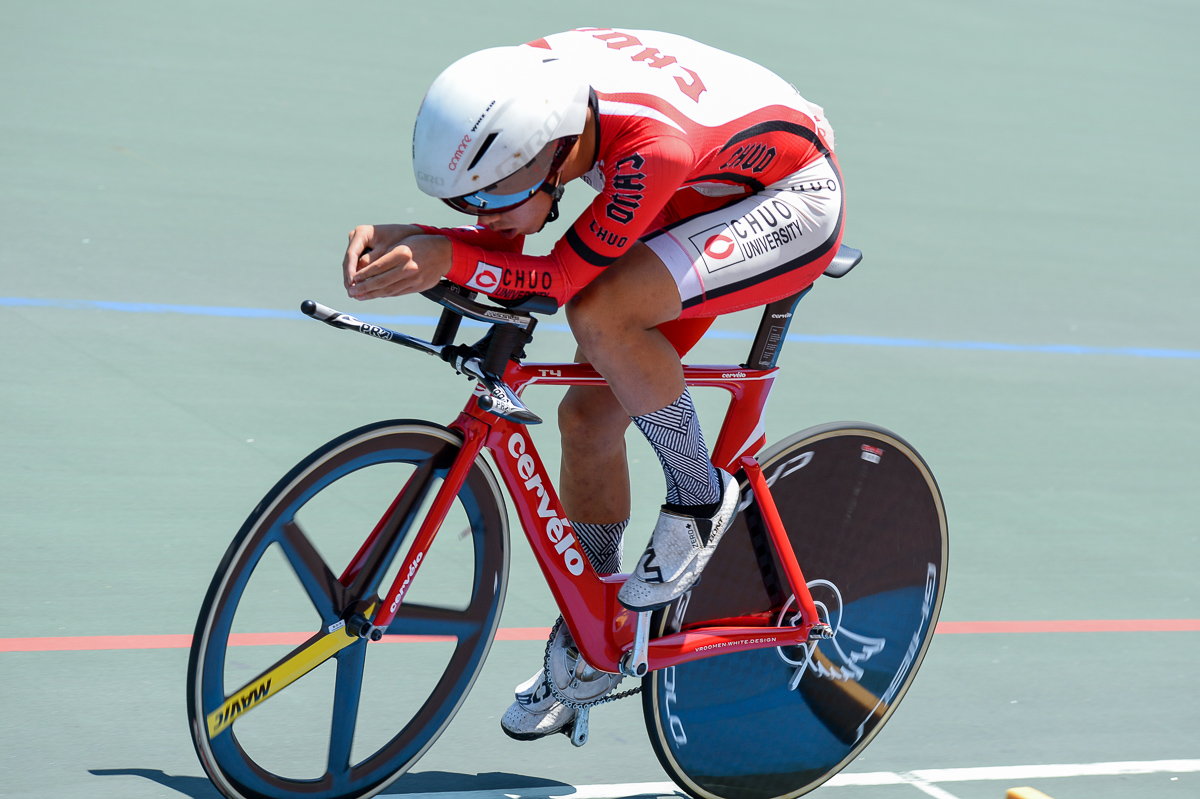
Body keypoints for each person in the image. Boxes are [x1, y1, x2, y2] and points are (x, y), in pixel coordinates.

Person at [341, 28, 845, 741]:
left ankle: (700, 496)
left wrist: (446, 254)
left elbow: (557, 281)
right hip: (698, 186)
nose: (480, 213)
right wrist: (417, 235)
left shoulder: (646, 148)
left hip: (786, 195)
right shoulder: (528, 91)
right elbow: (507, 231)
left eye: (490, 195)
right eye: (466, 200)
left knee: (602, 313)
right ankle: (599, 616)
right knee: (585, 422)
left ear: (555, 156)